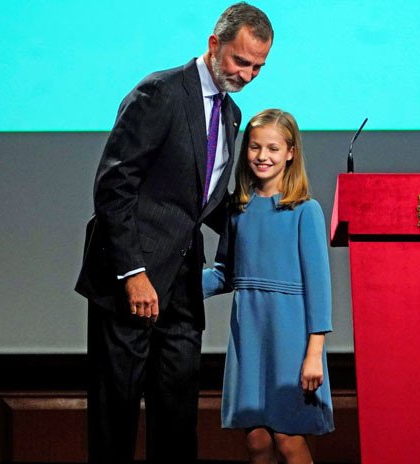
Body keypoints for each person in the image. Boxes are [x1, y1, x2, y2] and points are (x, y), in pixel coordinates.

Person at [75, 3, 273, 462]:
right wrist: (133, 273)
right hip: (129, 283)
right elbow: (113, 186)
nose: (247, 74)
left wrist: (270, 227)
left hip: (182, 287)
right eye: (240, 61)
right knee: (115, 420)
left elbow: (204, 200)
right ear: (213, 44)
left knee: (178, 420)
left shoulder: (232, 113)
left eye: (258, 67)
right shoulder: (159, 93)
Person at [203, 109, 334, 464]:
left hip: (292, 337)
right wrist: (172, 283)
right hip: (250, 333)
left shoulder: (306, 211)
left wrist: (313, 354)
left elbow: (319, 286)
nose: (263, 156)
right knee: (257, 439)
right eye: (255, 147)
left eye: (273, 149)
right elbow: (224, 274)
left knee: (288, 439)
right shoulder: (238, 208)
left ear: (291, 152)